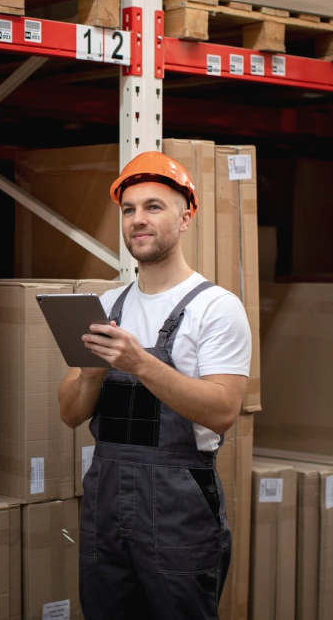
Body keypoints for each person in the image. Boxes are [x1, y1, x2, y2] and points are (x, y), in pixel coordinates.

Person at [58, 151, 252, 620]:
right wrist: (90, 374)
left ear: (186, 217)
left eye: (153, 207)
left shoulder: (217, 308)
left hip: (178, 504)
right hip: (106, 503)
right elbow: (69, 412)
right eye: (128, 210)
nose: (137, 220)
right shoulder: (104, 304)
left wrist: (140, 362)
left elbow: (223, 409)